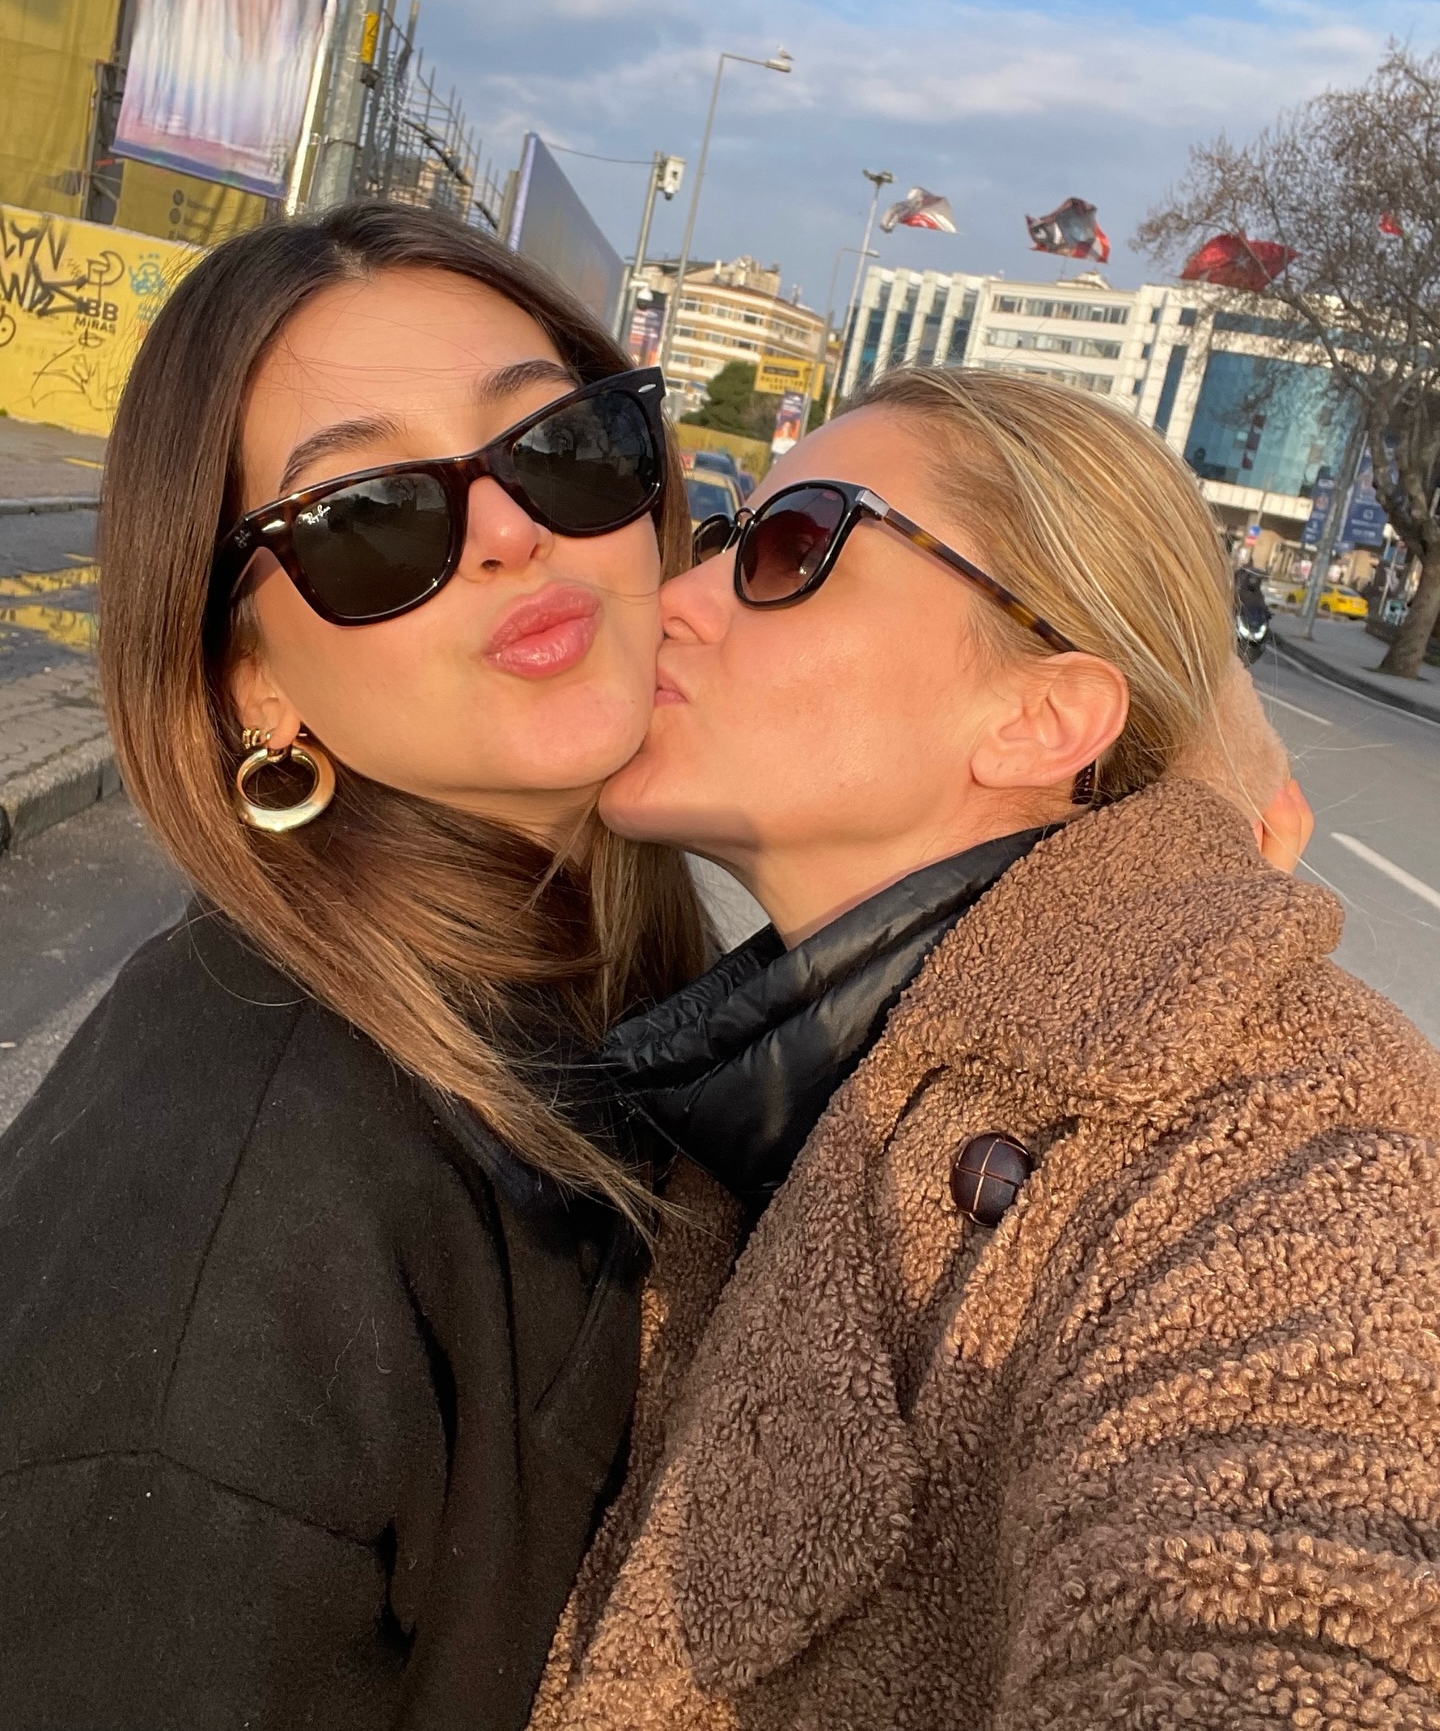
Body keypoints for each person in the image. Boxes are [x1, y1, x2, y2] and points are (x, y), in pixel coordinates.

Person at [529, 368, 1440, 1730]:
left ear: (1039, 719)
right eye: (721, 538)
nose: (674, 598)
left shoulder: (1294, 1117)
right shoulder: (754, 1081)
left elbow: (1293, 1596)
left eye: (791, 548)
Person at [0, 204, 711, 1731]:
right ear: (251, 679)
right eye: (372, 515)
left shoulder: (612, 1000)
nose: (511, 530)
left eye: (562, 446)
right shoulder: (222, 1243)